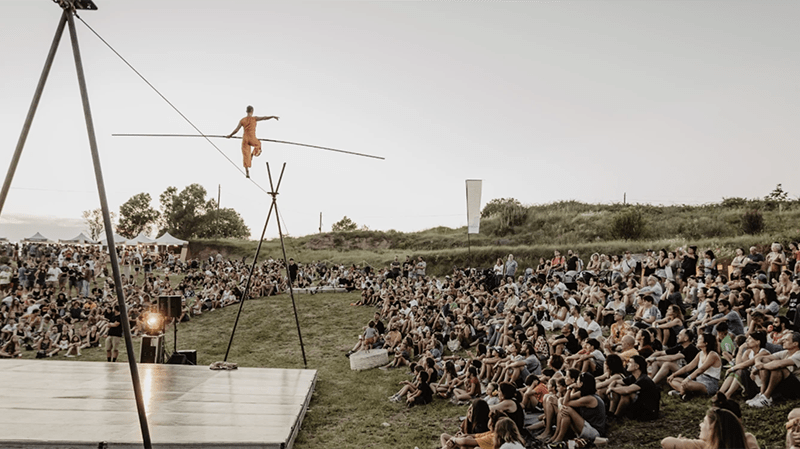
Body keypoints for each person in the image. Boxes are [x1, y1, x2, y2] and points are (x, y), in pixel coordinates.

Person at [747, 331, 800, 408]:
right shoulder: (786, 352)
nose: (783, 341)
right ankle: (762, 394)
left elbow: (779, 364)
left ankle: (766, 397)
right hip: (787, 384)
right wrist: (758, 364)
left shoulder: (798, 354)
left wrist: (759, 367)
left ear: (795, 344)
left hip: (797, 388)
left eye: (786, 340)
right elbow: (761, 358)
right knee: (767, 361)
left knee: (778, 368)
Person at [550, 372, 606, 444]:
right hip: (588, 427)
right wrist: (560, 406)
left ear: (581, 383)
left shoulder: (589, 399)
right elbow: (562, 400)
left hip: (595, 433)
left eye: (578, 380)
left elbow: (566, 403)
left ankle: (558, 439)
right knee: (565, 413)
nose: (576, 382)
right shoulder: (582, 393)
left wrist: (569, 388)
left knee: (567, 409)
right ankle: (556, 437)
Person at [226, 105, 279, 178]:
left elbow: (236, 130)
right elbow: (264, 118)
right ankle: (253, 154)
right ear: (252, 111)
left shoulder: (242, 120)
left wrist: (230, 135)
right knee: (258, 144)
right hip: (252, 138)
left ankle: (247, 171)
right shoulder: (254, 118)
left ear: (246, 111)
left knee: (245, 155)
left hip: (245, 139)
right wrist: (272, 116)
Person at [660, 407, 750, 449]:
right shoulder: (746, 440)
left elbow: (666, 442)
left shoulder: (704, 445)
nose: (700, 425)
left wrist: (681, 442)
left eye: (704, 422)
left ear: (712, 429)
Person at [667, 332, 722, 399]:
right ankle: (686, 393)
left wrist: (687, 379)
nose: (697, 341)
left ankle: (682, 392)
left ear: (706, 343)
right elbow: (688, 367)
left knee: (687, 384)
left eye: (699, 339)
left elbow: (700, 370)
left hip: (709, 384)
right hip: (698, 381)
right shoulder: (700, 353)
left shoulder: (713, 355)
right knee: (672, 380)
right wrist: (674, 374)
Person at [607, 355, 660, 421]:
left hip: (649, 412)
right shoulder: (633, 377)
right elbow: (616, 381)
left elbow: (627, 390)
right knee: (618, 386)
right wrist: (611, 386)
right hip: (640, 406)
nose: (627, 364)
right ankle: (611, 413)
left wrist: (611, 389)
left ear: (637, 366)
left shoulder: (644, 379)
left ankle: (616, 416)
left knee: (626, 395)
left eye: (630, 362)